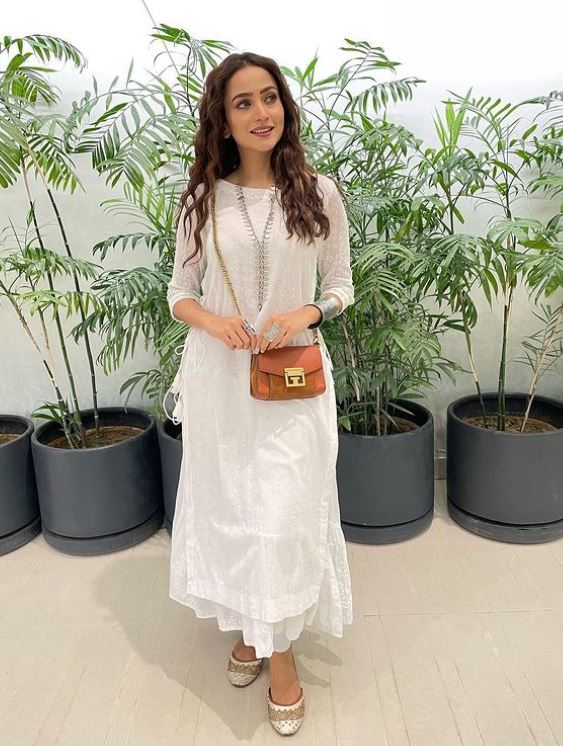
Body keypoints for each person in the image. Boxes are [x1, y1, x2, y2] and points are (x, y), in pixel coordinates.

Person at [165, 51, 354, 736]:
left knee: (282, 516)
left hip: (293, 379)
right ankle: (253, 629)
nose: (260, 112)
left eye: (269, 97)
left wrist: (306, 311)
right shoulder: (201, 200)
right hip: (220, 380)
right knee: (233, 514)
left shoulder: (319, 193)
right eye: (242, 102)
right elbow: (179, 291)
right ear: (222, 119)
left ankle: (278, 655)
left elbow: (341, 285)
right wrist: (213, 322)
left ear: (285, 106)